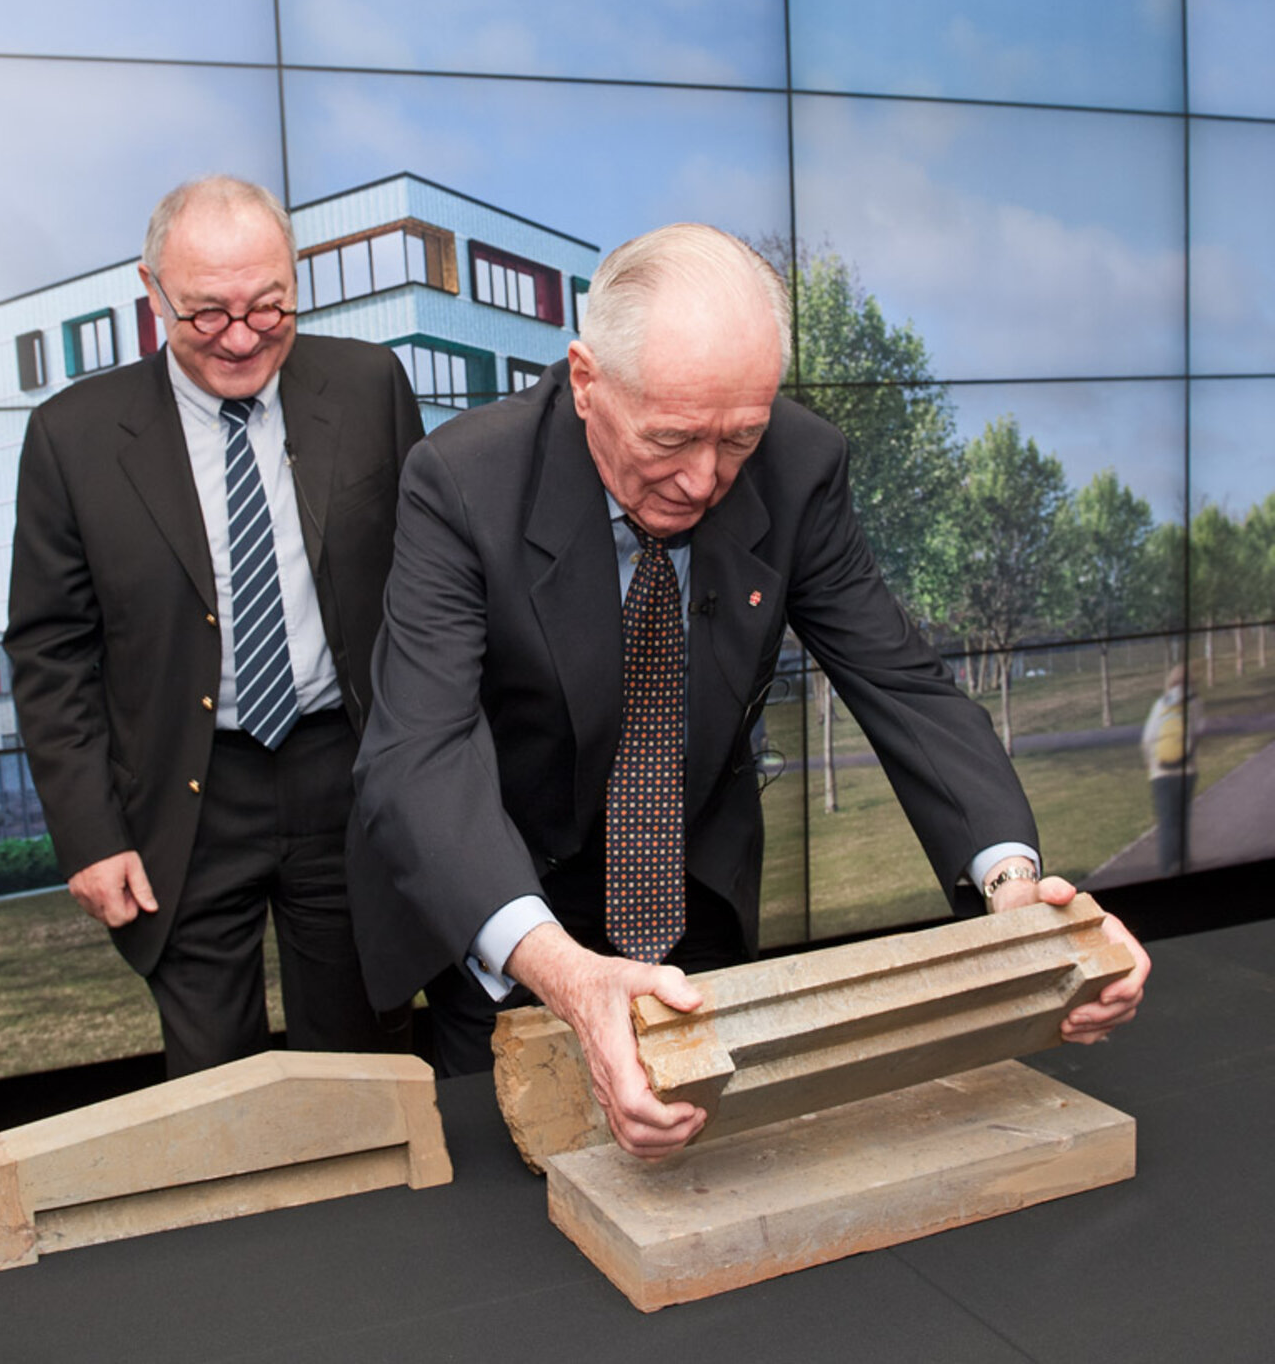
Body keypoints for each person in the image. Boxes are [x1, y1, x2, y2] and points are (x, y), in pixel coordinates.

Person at [348, 223, 1149, 1158]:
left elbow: (901, 683)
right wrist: (563, 973)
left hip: (695, 908)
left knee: (716, 1172)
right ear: (585, 379)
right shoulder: (462, 480)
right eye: (673, 438)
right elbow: (420, 755)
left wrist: (1011, 887)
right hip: (514, 908)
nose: (704, 481)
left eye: (739, 439)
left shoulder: (800, 466)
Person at [6, 175, 424, 1076]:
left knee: (362, 1060)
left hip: (340, 771)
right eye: (206, 315)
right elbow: (50, 652)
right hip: (184, 790)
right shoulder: (72, 437)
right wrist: (88, 832)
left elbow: (423, 592)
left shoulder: (369, 387)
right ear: (152, 292)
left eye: (269, 307)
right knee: (211, 1082)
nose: (241, 337)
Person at [1140, 663, 1200, 871]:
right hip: (1187, 771)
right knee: (1183, 818)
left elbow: (1148, 738)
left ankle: (1167, 867)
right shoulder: (1194, 703)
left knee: (1167, 823)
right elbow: (1198, 731)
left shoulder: (1162, 703)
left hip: (1161, 773)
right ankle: (1184, 863)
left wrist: (1151, 762)